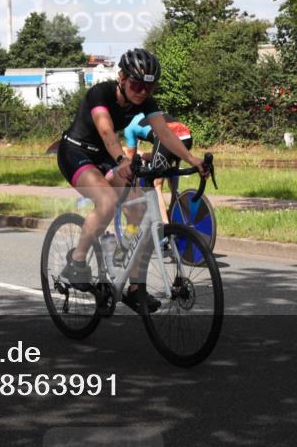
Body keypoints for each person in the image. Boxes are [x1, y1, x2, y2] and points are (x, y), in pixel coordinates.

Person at [56, 48, 206, 313]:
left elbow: (165, 134)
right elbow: (106, 131)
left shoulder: (144, 101)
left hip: (104, 154)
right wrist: (122, 160)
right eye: (137, 85)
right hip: (75, 152)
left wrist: (192, 159)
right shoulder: (100, 94)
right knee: (107, 202)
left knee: (141, 210)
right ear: (122, 78)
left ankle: (135, 286)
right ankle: (76, 262)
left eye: (149, 87)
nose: (142, 92)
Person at [123, 112, 193, 224]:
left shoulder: (128, 127)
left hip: (167, 136)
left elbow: (131, 157)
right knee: (171, 173)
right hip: (186, 136)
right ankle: (173, 212)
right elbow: (162, 154)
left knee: (156, 184)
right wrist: (143, 155)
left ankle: (165, 226)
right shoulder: (149, 112)